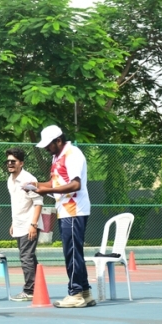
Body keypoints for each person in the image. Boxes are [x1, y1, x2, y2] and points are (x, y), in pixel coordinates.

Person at [31, 125, 95, 308]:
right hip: (65, 210)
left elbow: (75, 185)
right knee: (74, 251)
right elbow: (55, 182)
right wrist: (37, 185)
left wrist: (47, 189)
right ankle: (85, 292)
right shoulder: (56, 156)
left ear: (58, 141)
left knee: (72, 252)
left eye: (48, 144)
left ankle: (75, 294)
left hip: (74, 210)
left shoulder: (72, 154)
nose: (45, 148)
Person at [5, 147, 44, 302]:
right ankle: (38, 285)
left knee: (26, 257)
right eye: (8, 161)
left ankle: (29, 290)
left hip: (29, 224)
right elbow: (17, 203)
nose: (10, 164)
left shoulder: (28, 180)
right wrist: (14, 223)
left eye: (13, 161)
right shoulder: (11, 179)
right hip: (20, 224)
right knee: (29, 257)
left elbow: (38, 202)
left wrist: (33, 225)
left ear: (21, 163)